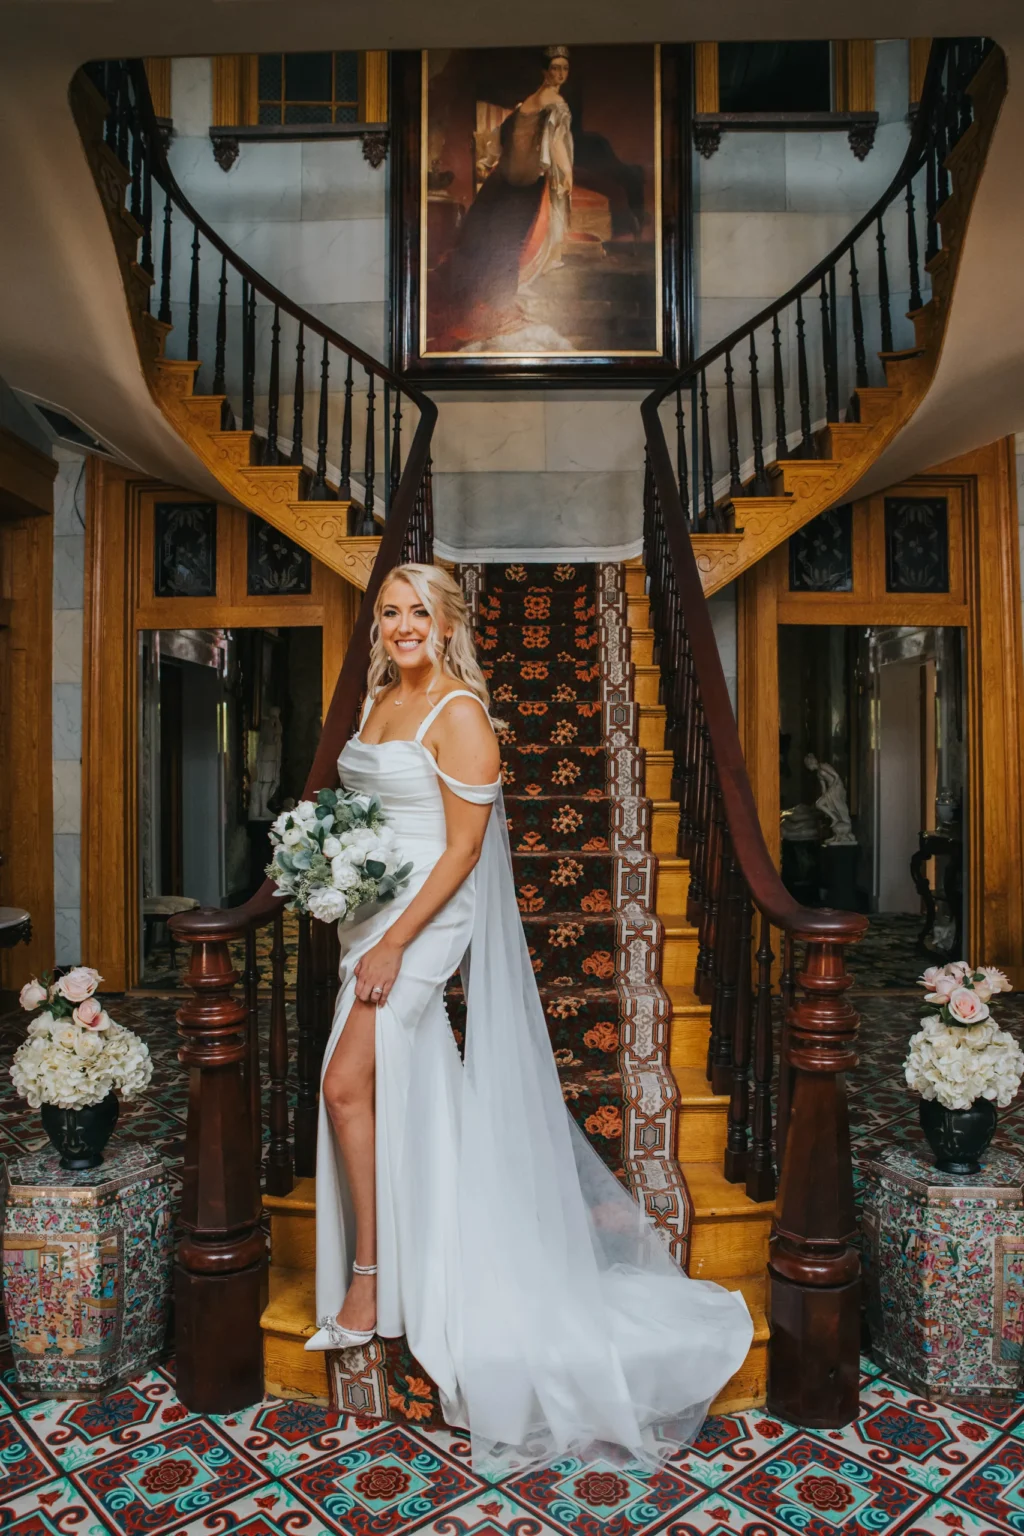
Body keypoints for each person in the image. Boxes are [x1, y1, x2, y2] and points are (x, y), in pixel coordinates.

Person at [307, 562, 752, 1475]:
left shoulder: (462, 715)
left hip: (425, 923)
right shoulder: (378, 696)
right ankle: (417, 1247)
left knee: (345, 1084)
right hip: (371, 912)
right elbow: (365, 809)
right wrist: (330, 863)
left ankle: (371, 1278)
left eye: (416, 613)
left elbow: (465, 849)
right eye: (388, 613)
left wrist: (396, 943)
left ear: (446, 621)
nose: (400, 627)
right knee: (399, 1086)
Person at [429, 46, 574, 347]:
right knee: (502, 244)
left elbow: (500, 143)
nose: (560, 73)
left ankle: (481, 304)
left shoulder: (526, 104)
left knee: (486, 240)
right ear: (545, 72)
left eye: (564, 68)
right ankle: (494, 308)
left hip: (503, 184)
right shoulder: (554, 102)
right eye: (555, 67)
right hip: (517, 187)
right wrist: (567, 172)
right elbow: (557, 143)